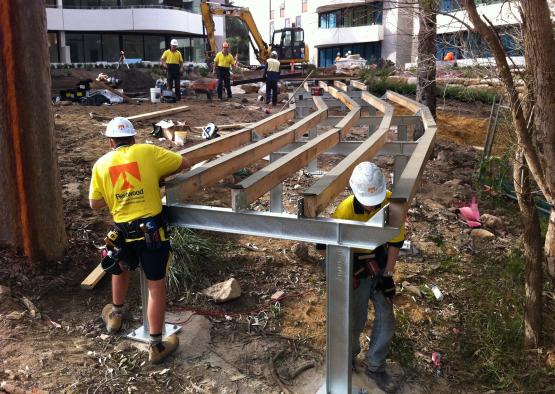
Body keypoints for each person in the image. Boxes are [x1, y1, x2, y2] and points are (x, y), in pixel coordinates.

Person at [89, 117, 190, 364]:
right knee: (155, 285)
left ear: (110, 141)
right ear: (133, 138)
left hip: (122, 232)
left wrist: (117, 193)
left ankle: (116, 314)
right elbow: (184, 163)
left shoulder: (101, 164)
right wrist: (152, 179)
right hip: (152, 232)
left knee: (119, 267)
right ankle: (156, 345)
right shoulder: (148, 151)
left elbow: (94, 203)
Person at [317, 162, 404, 393]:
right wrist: (350, 269)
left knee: (386, 317)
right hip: (352, 263)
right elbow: (324, 246)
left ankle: (375, 366)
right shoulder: (345, 211)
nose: (369, 207)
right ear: (355, 193)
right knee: (355, 317)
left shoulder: (390, 203)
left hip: (379, 259)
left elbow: (396, 241)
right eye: (366, 201)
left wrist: (388, 273)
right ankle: (348, 358)